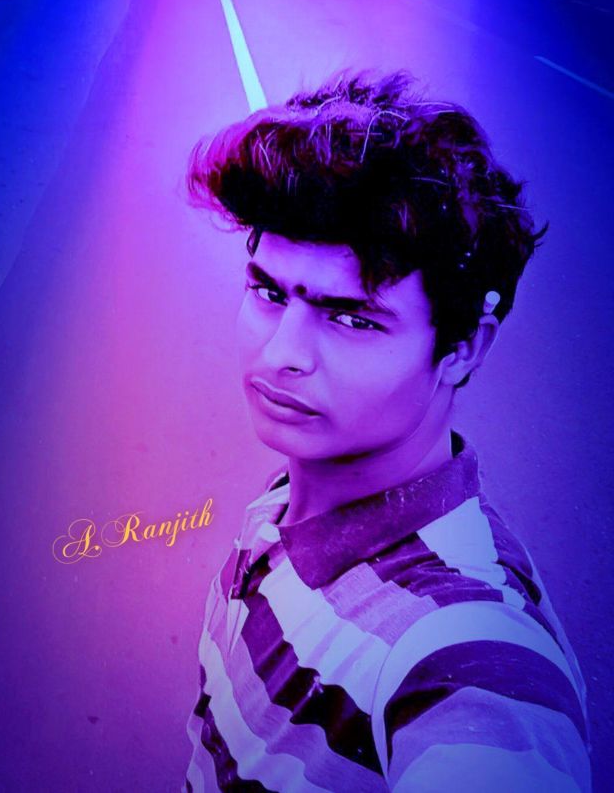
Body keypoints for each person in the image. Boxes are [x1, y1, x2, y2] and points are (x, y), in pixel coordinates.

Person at [182, 71, 591, 791]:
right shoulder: (291, 494)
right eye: (269, 292)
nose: (281, 355)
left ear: (464, 347)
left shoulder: (471, 658)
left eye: (352, 318)